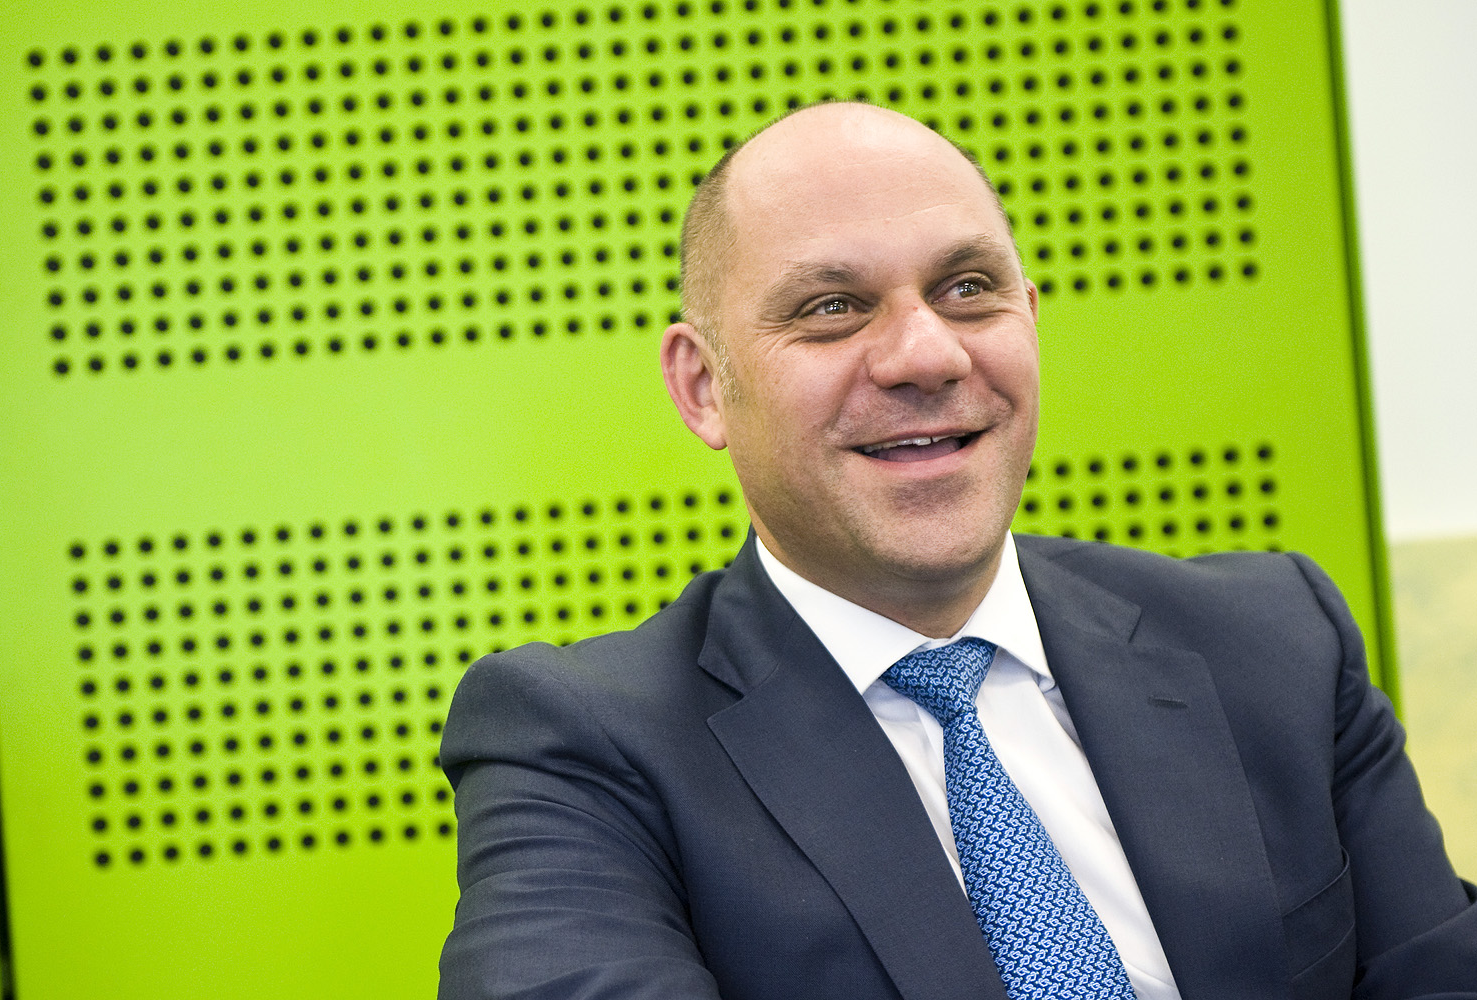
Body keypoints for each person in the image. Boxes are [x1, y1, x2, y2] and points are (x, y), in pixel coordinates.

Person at [437, 102, 1477, 999]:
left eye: (968, 287)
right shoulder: (578, 747)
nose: (927, 353)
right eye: (831, 308)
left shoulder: (1278, 639)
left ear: (1028, 318)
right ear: (705, 386)